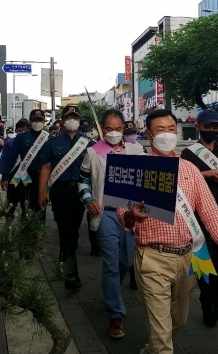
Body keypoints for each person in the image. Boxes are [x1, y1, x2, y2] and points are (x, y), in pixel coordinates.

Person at [119, 109, 218, 354]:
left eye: (171, 129)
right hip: (152, 258)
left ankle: (152, 349)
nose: (167, 135)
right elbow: (123, 212)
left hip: (186, 259)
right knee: (163, 337)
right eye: (160, 130)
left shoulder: (189, 169)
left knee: (179, 320)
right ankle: (159, 348)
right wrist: (132, 214)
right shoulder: (135, 168)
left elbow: (208, 208)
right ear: (148, 134)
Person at [78, 109, 144, 339]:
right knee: (110, 265)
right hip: (105, 215)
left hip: (130, 215)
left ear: (123, 128)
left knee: (126, 260)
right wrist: (88, 200)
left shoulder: (137, 151)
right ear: (102, 129)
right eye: (109, 129)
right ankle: (115, 314)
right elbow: (83, 180)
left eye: (118, 129)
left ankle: (114, 289)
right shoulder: (93, 152)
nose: (114, 133)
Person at [181, 109, 218, 326]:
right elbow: (183, 179)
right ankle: (207, 303)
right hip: (198, 218)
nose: (211, 130)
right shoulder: (189, 154)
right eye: (207, 127)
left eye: (215, 127)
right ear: (198, 127)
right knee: (204, 263)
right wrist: (204, 175)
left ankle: (217, 300)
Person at [38, 105, 94, 289]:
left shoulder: (88, 143)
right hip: (59, 191)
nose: (72, 120)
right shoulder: (52, 142)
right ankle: (71, 275)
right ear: (62, 121)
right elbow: (46, 167)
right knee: (65, 231)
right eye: (69, 117)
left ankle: (65, 255)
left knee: (74, 231)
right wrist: (41, 192)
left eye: (75, 117)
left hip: (79, 192)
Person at [0, 109, 48, 222]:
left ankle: (39, 235)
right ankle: (25, 234)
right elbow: (11, 157)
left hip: (43, 178)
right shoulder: (22, 137)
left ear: (44, 121)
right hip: (25, 176)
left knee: (41, 207)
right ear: (30, 121)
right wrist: (5, 176)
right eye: (35, 120)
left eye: (40, 120)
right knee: (26, 207)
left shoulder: (48, 138)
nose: (37, 122)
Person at [123, 119, 143, 289]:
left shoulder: (141, 150)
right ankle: (130, 273)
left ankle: (135, 275)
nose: (132, 136)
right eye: (129, 134)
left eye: (134, 133)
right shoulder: (119, 151)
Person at [0, 118, 30, 220]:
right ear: (16, 130)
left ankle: (26, 221)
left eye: (24, 130)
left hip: (26, 176)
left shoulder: (32, 143)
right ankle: (9, 221)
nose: (22, 133)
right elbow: (4, 158)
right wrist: (1, 174)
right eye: (20, 131)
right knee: (11, 200)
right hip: (13, 176)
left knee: (26, 200)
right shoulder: (9, 143)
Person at [79, 117, 101, 256]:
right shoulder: (76, 144)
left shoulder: (96, 146)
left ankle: (96, 247)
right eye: (84, 131)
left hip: (94, 185)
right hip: (81, 183)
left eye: (88, 130)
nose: (86, 133)